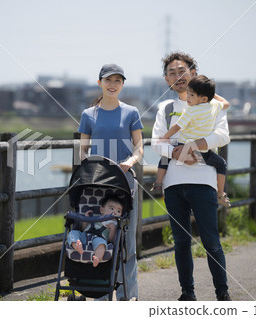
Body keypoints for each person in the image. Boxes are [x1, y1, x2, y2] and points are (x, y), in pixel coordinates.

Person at [151, 51, 231, 301]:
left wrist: (192, 147)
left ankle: (223, 293)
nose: (178, 76)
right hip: (174, 184)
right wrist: (176, 154)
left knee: (211, 241)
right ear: (167, 80)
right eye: (172, 73)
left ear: (193, 73)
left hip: (204, 181)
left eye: (182, 70)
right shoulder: (165, 108)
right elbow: (156, 142)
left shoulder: (212, 104)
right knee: (181, 243)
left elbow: (222, 136)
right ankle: (188, 293)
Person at [78, 63, 143, 300]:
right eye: (108, 80)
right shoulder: (88, 115)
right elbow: (82, 152)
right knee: (99, 236)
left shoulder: (131, 112)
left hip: (125, 181)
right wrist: (90, 166)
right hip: (97, 185)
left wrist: (130, 161)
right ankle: (101, 293)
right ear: (100, 83)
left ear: (123, 84)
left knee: (127, 241)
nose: (113, 85)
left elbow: (139, 147)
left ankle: (128, 295)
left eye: (118, 80)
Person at [155, 75, 231, 207]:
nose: (188, 98)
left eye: (191, 95)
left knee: (165, 158)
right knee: (222, 164)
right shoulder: (214, 106)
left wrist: (165, 136)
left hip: (183, 145)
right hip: (203, 151)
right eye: (188, 94)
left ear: (203, 98)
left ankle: (158, 183)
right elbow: (226, 103)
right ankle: (221, 193)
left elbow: (177, 126)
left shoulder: (190, 110)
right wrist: (211, 94)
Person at [67, 195, 123, 267]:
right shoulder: (96, 217)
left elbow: (111, 240)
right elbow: (84, 229)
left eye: (119, 211)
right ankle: (77, 246)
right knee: (72, 233)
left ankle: (97, 258)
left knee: (102, 244)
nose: (115, 212)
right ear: (102, 210)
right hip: (85, 236)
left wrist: (112, 229)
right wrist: (85, 220)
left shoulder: (114, 224)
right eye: (112, 208)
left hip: (98, 239)